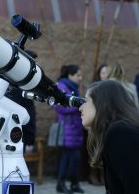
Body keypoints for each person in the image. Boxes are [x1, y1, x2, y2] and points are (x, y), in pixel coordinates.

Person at [53, 64, 84, 194]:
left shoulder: (72, 87)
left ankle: (72, 184)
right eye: (78, 75)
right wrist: (78, 105)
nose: (80, 78)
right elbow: (58, 106)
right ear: (70, 75)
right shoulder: (61, 86)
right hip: (68, 127)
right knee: (69, 157)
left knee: (73, 157)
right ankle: (63, 184)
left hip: (75, 127)